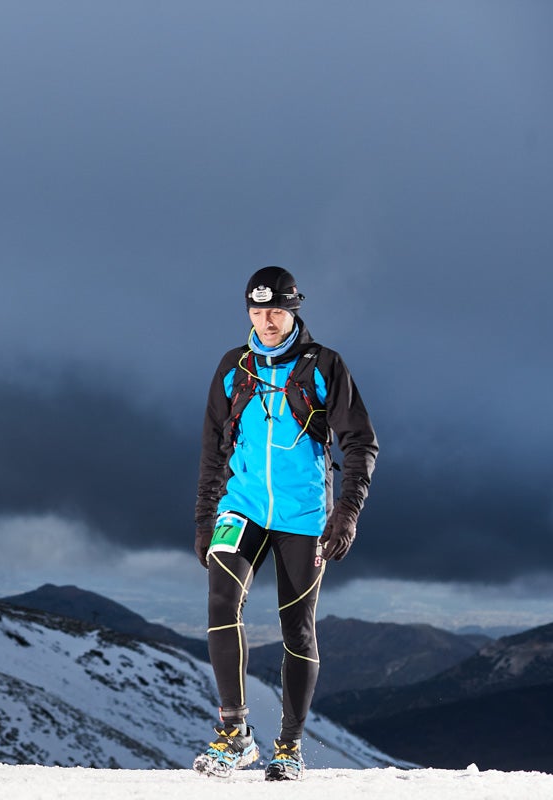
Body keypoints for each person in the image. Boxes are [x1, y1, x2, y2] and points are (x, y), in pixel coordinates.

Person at [192, 266, 378, 781]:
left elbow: (360, 442)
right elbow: (214, 448)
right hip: (242, 506)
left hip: (303, 516)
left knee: (296, 626)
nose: (267, 320)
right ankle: (235, 734)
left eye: (276, 310)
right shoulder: (235, 368)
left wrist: (346, 513)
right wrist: (206, 517)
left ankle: (289, 747)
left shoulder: (323, 366)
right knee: (221, 600)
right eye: (257, 311)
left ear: (294, 308)